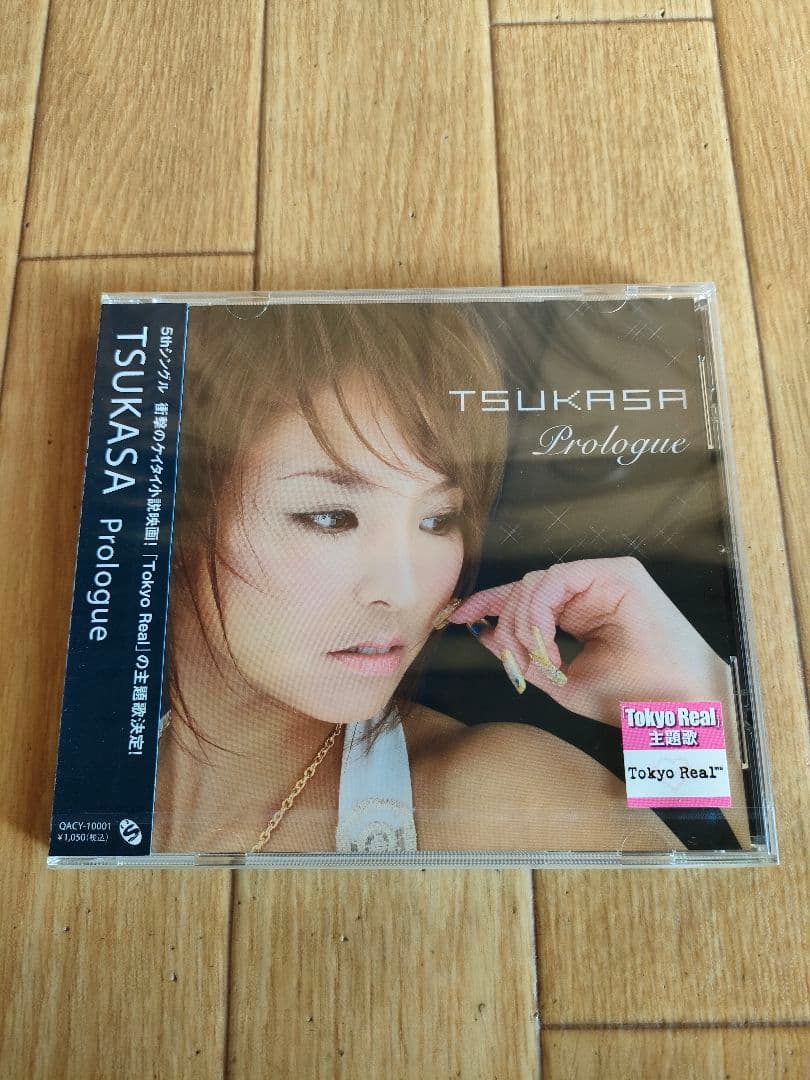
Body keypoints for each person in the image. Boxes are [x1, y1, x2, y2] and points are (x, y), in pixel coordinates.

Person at [152, 303, 749, 854]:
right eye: (331, 516)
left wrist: (677, 703)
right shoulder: (104, 756)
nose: (402, 591)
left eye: (438, 520)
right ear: (180, 518)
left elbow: (729, 905)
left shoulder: (499, 798)